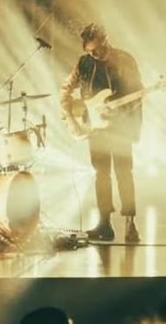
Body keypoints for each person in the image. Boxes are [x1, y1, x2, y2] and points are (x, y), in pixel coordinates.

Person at [59, 24, 143, 242]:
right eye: (89, 51)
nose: (93, 55)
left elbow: (138, 94)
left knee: (124, 173)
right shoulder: (84, 63)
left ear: (106, 41)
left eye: (96, 50)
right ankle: (104, 224)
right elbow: (65, 88)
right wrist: (69, 116)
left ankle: (130, 224)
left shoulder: (125, 60)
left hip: (121, 128)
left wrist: (119, 110)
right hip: (96, 128)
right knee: (101, 175)